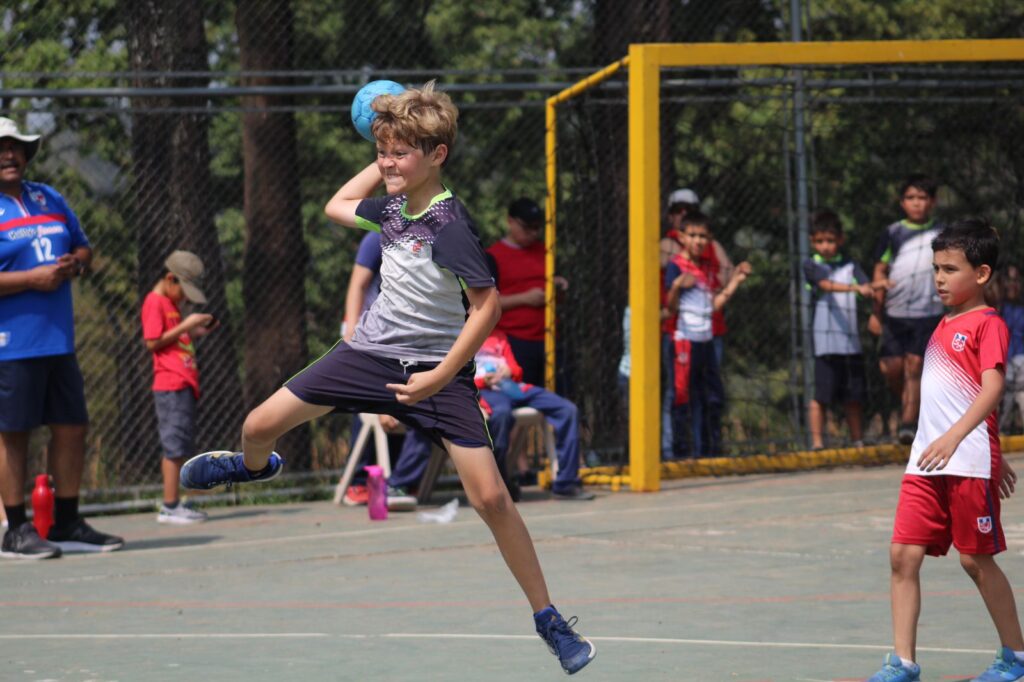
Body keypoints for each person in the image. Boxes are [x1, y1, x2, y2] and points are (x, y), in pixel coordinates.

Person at [178, 82, 595, 674]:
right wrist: (388, 147)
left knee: (491, 497)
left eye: (400, 153)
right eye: (381, 152)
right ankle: (252, 467)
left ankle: (549, 618)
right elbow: (335, 205)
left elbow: (488, 307)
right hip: (369, 355)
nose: (385, 163)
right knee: (256, 423)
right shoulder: (393, 206)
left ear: (437, 155)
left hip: (437, 373)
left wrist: (440, 377)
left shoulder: (451, 225)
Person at [866, 219, 1024, 682]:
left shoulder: (987, 324)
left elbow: (991, 387)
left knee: (975, 560)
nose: (939, 278)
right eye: (936, 268)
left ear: (981, 274)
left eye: (950, 269)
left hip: (966, 460)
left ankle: (1015, 658)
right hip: (926, 461)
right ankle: (903, 663)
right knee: (902, 556)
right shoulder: (943, 323)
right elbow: (954, 396)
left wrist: (971, 443)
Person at [0, 116, 124, 559]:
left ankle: (67, 521)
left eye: (15, 147)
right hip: (11, 343)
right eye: (1, 148)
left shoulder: (48, 196)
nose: (9, 155)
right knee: (13, 433)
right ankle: (15, 529)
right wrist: (31, 278)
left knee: (72, 427)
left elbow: (82, 244)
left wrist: (75, 263)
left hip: (59, 339)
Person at [342, 230, 429, 510]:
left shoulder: (428, 240)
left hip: (402, 338)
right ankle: (359, 481)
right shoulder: (375, 238)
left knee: (409, 403)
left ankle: (397, 483)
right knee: (366, 400)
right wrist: (352, 335)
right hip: (368, 335)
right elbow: (357, 286)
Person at [665, 212, 751, 458]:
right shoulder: (676, 265)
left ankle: (710, 452)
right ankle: (680, 453)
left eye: (703, 236)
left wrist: (735, 280)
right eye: (692, 235)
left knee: (712, 398)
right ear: (682, 237)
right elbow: (671, 308)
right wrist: (677, 286)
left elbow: (713, 305)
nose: (698, 241)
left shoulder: (707, 266)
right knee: (682, 399)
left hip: (706, 342)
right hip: (684, 344)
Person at [141, 250, 218, 524]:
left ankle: (177, 503)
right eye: (183, 290)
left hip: (184, 382)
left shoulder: (171, 306)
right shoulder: (155, 301)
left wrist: (194, 331)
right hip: (170, 384)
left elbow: (172, 338)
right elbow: (152, 342)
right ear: (170, 278)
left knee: (182, 442)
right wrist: (186, 324)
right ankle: (170, 505)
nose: (185, 298)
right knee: (173, 445)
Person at [476, 329, 594, 501]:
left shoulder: (498, 335)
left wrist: (509, 372)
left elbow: (516, 369)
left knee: (567, 410)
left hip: (511, 386)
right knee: (501, 415)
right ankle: (499, 484)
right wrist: (482, 380)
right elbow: (457, 376)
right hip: (484, 391)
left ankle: (566, 483)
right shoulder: (457, 334)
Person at [869, 174, 945, 444]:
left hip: (928, 313)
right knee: (891, 368)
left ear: (933, 202)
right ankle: (911, 404)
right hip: (895, 313)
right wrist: (876, 312)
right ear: (902, 202)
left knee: (915, 366)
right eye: (911, 198)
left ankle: (908, 424)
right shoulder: (893, 233)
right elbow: (880, 269)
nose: (917, 204)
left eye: (922, 198)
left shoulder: (942, 233)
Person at [801, 210, 880, 449]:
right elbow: (826, 285)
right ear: (812, 241)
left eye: (830, 241)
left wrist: (877, 286)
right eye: (820, 241)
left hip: (850, 343)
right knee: (820, 396)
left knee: (853, 397)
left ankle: (857, 441)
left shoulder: (850, 265)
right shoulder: (811, 265)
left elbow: (868, 285)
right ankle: (817, 444)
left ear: (840, 241)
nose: (825, 246)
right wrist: (856, 289)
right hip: (825, 345)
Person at [485, 197, 567, 387]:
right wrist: (525, 299)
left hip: (549, 337)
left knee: (558, 393)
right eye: (527, 227)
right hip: (515, 342)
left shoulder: (545, 251)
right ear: (510, 222)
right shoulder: (493, 256)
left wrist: (558, 286)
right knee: (522, 397)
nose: (533, 233)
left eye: (537, 228)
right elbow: (485, 304)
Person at [997, 266, 1024, 433]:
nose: (1012, 285)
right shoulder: (997, 307)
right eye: (1008, 281)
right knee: (1002, 398)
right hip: (1002, 361)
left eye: (1016, 281)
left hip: (1021, 360)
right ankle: (1003, 427)